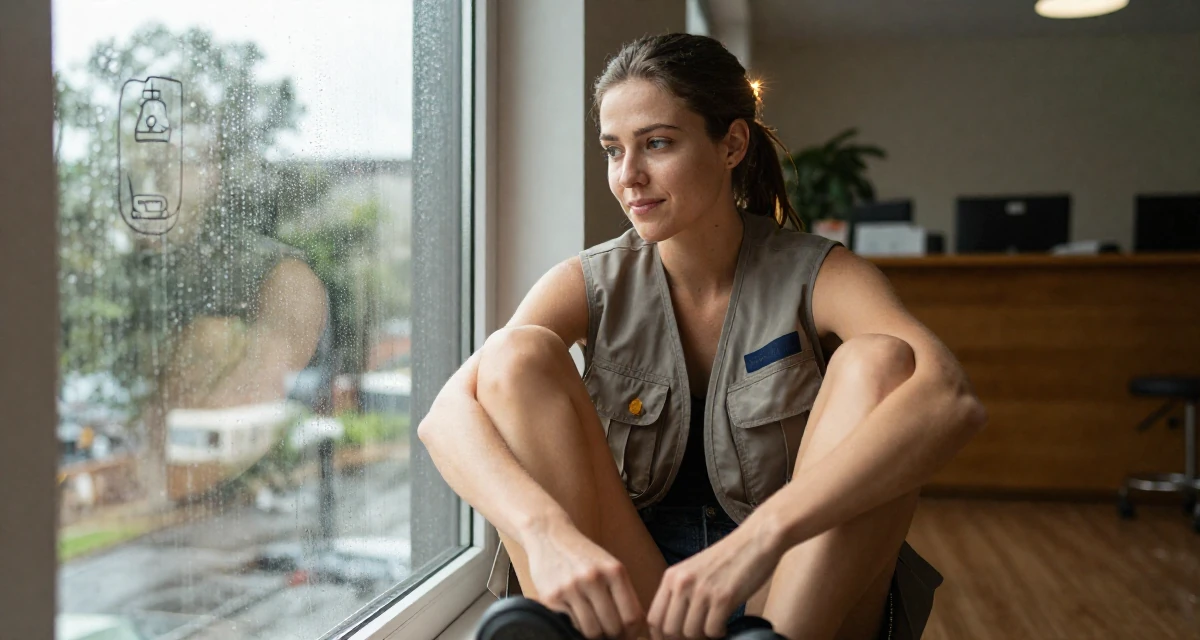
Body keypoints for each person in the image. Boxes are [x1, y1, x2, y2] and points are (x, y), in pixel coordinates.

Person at [419, 33, 987, 640]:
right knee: (514, 355)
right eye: (614, 150)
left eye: (657, 143)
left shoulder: (822, 273)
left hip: (786, 593)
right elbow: (445, 418)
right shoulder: (590, 280)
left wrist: (763, 538)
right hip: (639, 604)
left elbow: (950, 400)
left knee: (882, 363)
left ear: (731, 144)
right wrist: (544, 533)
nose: (629, 176)